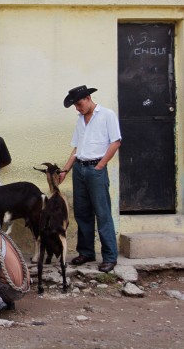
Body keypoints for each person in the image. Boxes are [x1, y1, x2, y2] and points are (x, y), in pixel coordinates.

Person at [59, 85, 121, 273]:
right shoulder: (80, 120)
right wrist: (66, 170)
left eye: (78, 104)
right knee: (82, 212)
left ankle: (110, 257)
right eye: (75, 106)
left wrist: (100, 165)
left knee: (102, 213)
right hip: (80, 169)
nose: (77, 108)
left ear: (87, 98)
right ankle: (86, 252)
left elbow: (116, 141)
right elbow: (76, 148)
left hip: (95, 169)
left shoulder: (107, 115)